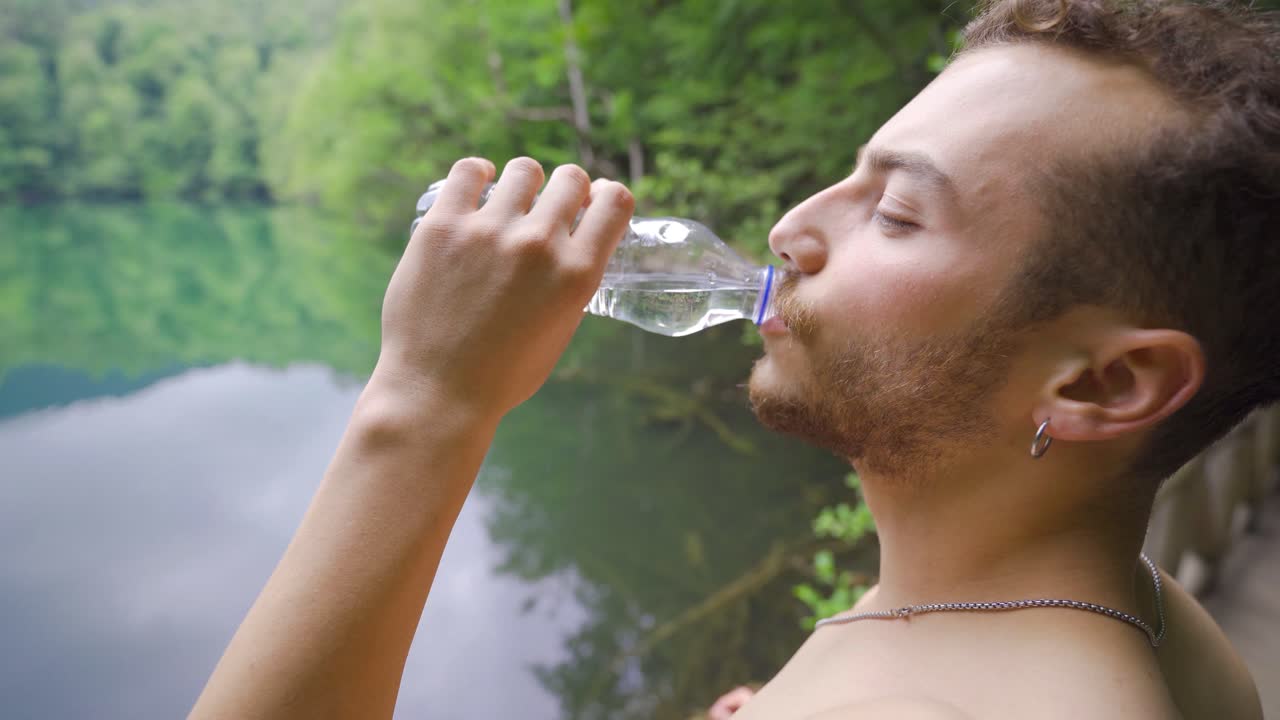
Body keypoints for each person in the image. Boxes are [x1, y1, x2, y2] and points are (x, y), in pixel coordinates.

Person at [191, 0, 1278, 718]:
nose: (792, 228)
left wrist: (425, 402)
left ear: (1103, 383)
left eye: (896, 214)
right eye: (850, 177)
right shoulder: (1145, 622)